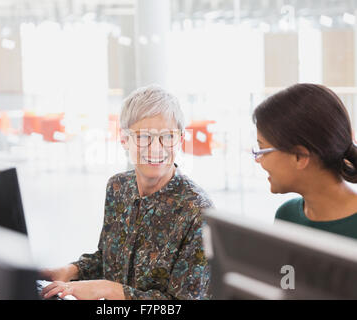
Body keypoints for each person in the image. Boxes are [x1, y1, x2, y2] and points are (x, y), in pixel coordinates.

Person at [41, 85, 213, 300]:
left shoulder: (197, 209)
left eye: (167, 137)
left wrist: (108, 290)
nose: (156, 148)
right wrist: (70, 271)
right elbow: (108, 259)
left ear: (180, 139)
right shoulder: (118, 187)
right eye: (143, 137)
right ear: (124, 140)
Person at [253, 83, 357, 239]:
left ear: (299, 156)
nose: (258, 160)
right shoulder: (287, 216)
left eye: (262, 150)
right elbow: (285, 266)